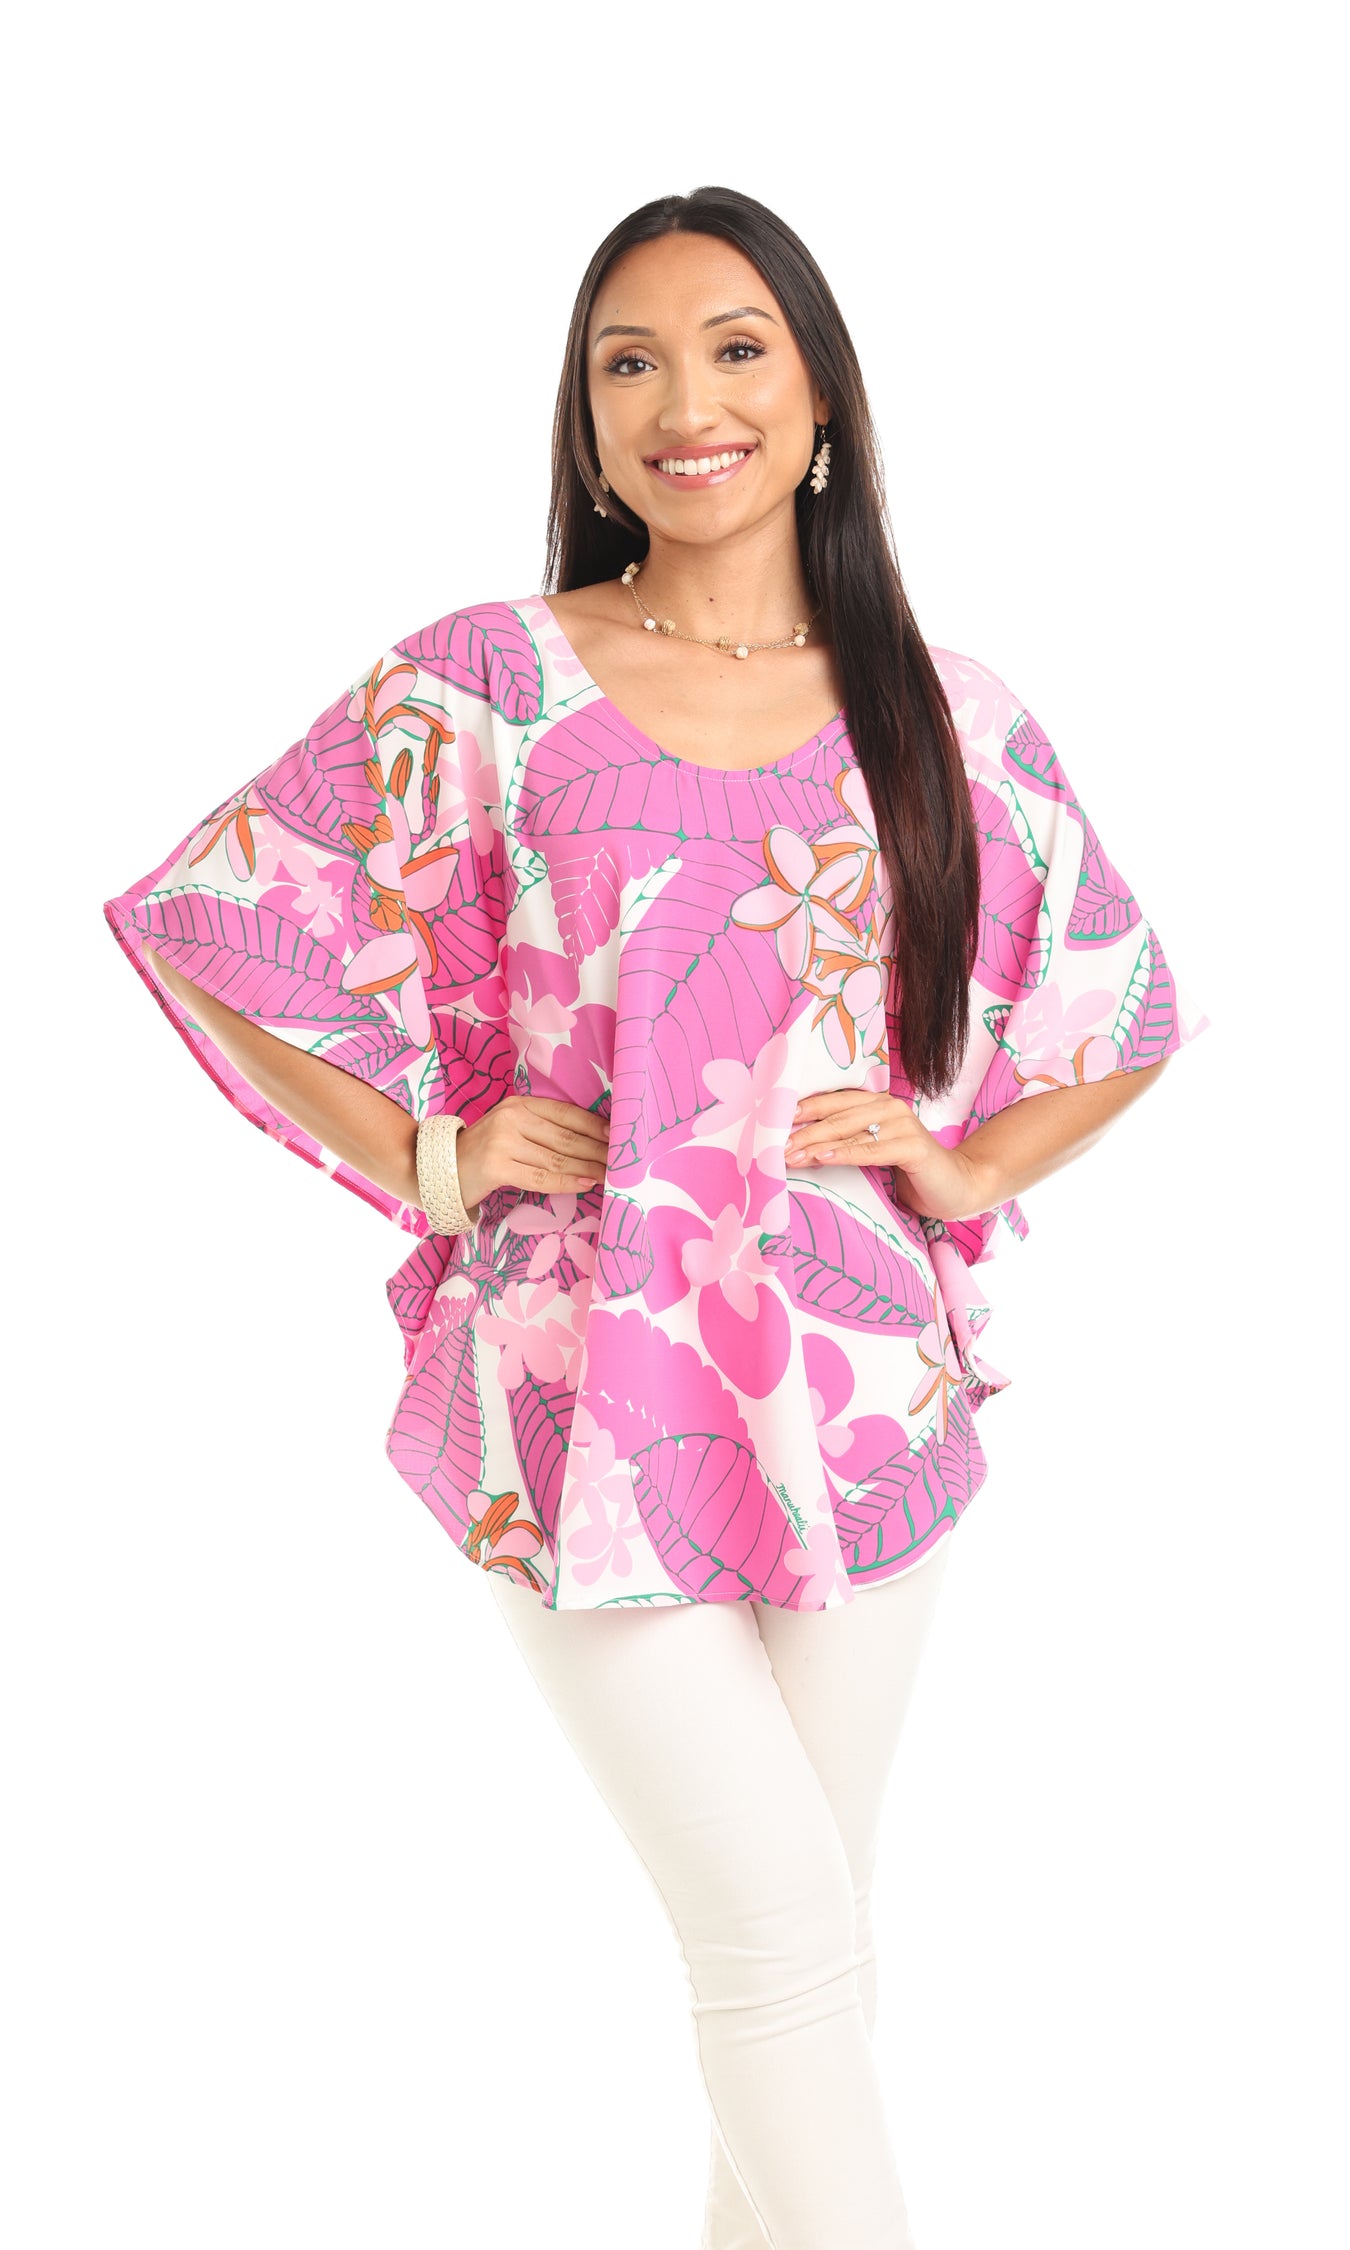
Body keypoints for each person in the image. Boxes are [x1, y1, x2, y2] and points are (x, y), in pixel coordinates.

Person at [102, 185, 1211, 2249]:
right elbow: (214, 921)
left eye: (734, 349)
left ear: (821, 401)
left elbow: (1121, 997)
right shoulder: (486, 681)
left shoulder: (947, 710)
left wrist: (966, 1168)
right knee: (774, 1936)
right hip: (577, 1372)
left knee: (809, 1949)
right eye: (630, 362)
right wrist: (435, 1155)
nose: (684, 401)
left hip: (859, 1380)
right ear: (588, 420)